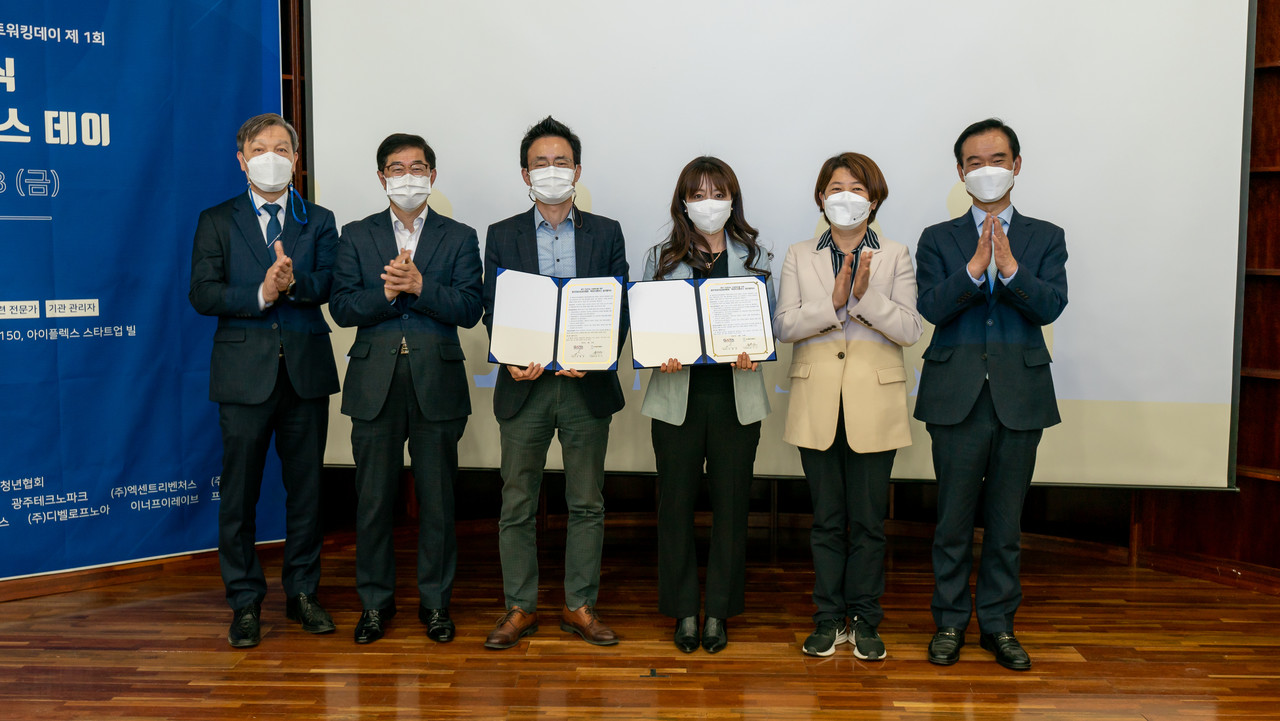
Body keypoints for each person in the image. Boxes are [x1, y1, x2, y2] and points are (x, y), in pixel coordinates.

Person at [915, 118, 1068, 671]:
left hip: (1019, 394)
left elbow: (1049, 306)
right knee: (952, 522)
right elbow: (931, 307)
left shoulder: (1046, 236)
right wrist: (975, 270)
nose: (987, 170)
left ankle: (999, 626)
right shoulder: (938, 238)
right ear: (960, 172)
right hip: (955, 394)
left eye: (997, 159)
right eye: (974, 162)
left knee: (1006, 525)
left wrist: (1010, 268)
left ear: (1017, 165)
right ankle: (950, 622)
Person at [189, 113, 340, 648]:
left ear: (295, 159)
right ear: (242, 160)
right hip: (242, 377)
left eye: (281, 148)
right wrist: (261, 293)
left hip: (305, 374)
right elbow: (202, 292)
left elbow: (331, 282)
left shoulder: (318, 219)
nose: (270, 157)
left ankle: (303, 594)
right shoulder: (216, 220)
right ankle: (245, 601)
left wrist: (293, 283)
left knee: (307, 492)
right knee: (239, 494)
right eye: (259, 149)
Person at [480, 116, 629, 649]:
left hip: (586, 386)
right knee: (517, 503)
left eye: (560, 162)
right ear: (526, 174)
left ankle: (578, 605)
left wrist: (597, 356)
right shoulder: (502, 234)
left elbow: (619, 307)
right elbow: (493, 308)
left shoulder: (606, 232)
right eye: (540, 163)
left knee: (586, 502)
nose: (551, 171)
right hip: (526, 387)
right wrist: (509, 356)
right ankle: (519, 608)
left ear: (577, 170)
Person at [329, 133, 483, 645]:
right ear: (382, 178)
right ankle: (375, 603)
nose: (408, 177)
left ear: (432, 176)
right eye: (397, 169)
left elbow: (470, 308)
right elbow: (342, 307)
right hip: (373, 383)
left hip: (437, 381)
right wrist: (386, 291)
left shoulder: (459, 236)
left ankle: (436, 603)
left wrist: (421, 287)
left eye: (418, 168)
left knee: (438, 500)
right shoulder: (356, 234)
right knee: (373, 500)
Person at [774, 152, 923, 660]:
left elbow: (909, 329)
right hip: (816, 401)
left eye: (857, 189)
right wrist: (833, 302)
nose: (846, 197)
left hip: (874, 404)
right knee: (826, 520)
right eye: (836, 188)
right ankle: (827, 618)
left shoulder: (896, 254)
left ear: (874, 199)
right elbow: (784, 325)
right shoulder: (799, 255)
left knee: (868, 523)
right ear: (821, 197)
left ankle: (865, 619)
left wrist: (862, 298)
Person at [641, 157, 773, 654]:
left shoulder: (757, 256)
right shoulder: (659, 258)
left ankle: (718, 610)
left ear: (733, 199)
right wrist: (660, 352)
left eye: (717, 193)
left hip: (736, 394)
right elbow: (648, 327)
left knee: (731, 507)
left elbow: (769, 325)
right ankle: (683, 611)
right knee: (674, 507)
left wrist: (755, 348)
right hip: (677, 395)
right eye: (697, 195)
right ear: (683, 202)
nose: (708, 203)